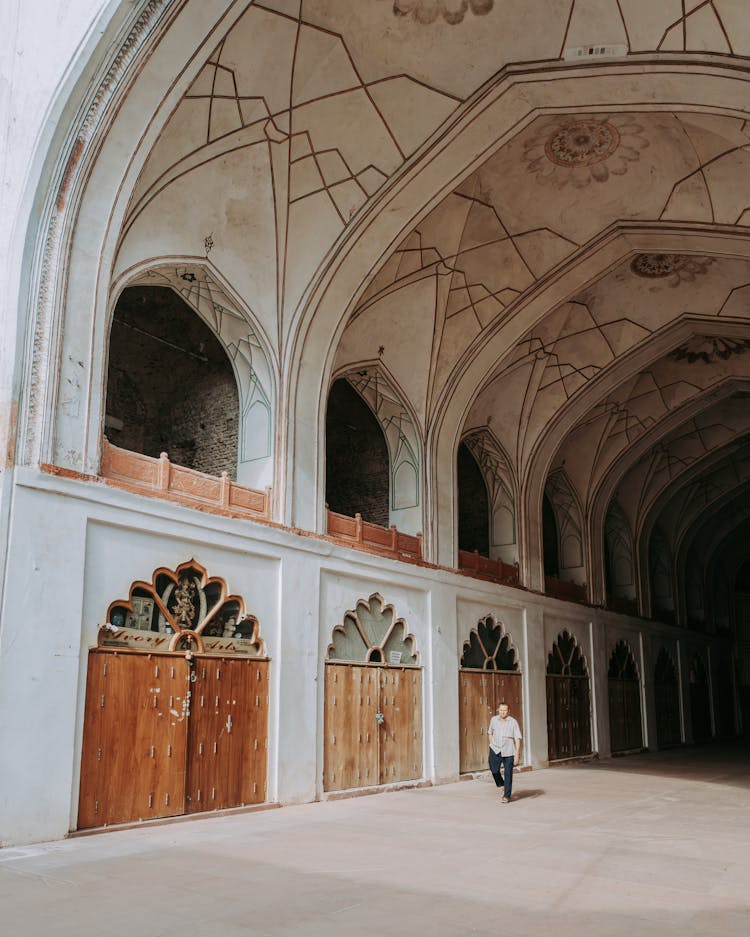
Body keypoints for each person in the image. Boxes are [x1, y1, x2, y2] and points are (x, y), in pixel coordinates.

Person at [487, 702, 522, 803]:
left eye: (505, 710)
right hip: (495, 749)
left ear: (508, 711)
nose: (503, 712)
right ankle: (502, 784)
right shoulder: (493, 720)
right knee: (494, 770)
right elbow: (490, 733)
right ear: (498, 710)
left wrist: (517, 753)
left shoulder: (513, 722)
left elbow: (517, 739)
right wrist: (491, 744)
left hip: (509, 751)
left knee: (508, 773)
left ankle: (507, 796)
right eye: (501, 710)